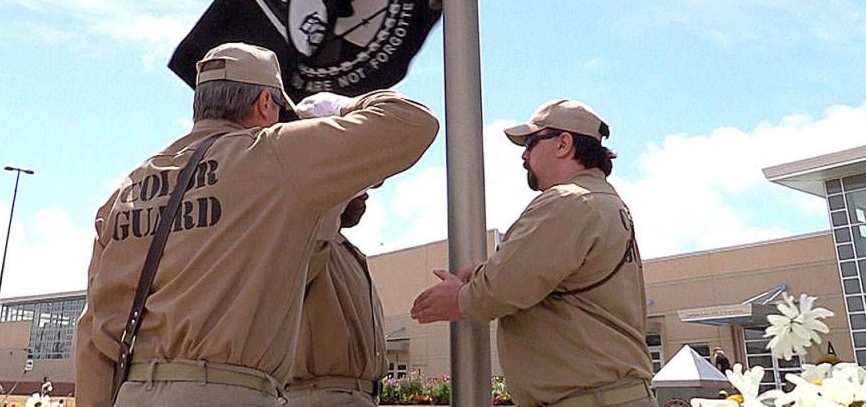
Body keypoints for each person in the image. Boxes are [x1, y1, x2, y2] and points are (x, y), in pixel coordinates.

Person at [74, 42, 438, 407]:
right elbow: (413, 122)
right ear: (266, 104)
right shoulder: (272, 155)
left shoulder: (127, 190)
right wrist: (337, 107)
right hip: (227, 394)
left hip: (132, 394)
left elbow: (94, 335)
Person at [410, 99, 654, 407]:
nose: (524, 155)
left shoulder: (569, 202)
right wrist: (487, 271)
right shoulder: (603, 202)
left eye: (531, 142)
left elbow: (502, 289)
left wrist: (459, 298)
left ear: (563, 143)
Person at [286, 191, 386, 406]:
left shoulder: (348, 253)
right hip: (322, 397)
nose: (366, 196)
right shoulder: (307, 242)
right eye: (359, 189)